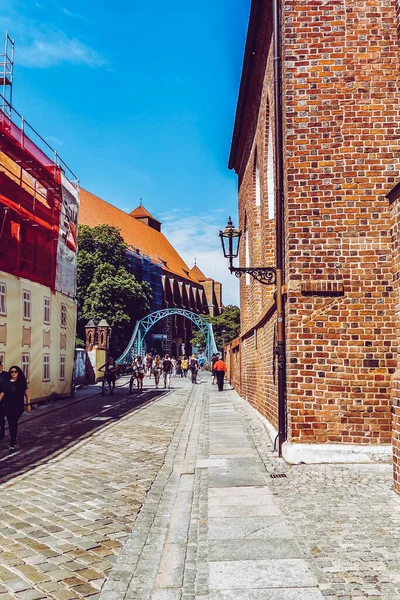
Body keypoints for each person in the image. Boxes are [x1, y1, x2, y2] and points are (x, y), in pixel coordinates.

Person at [0, 366, 30, 451]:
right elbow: (2, 393)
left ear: (18, 373)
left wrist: (28, 404)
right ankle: (14, 439)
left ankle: (12, 443)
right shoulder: (6, 382)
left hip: (18, 407)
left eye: (15, 372)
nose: (13, 373)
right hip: (8, 406)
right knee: (11, 424)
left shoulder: (21, 383)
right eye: (12, 372)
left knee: (13, 422)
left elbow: (27, 395)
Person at [0, 359, 8, 440]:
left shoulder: (6, 375)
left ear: (1, 366)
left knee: (1, 417)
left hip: (3, 401)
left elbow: (4, 389)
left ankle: (2, 433)